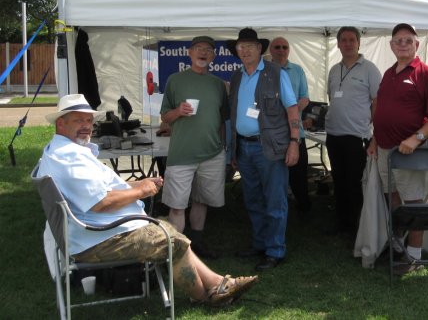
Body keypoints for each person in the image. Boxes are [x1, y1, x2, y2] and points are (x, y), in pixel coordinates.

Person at [36, 94, 257, 306]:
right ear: (61, 125)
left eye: (88, 120)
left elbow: (102, 190)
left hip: (95, 231)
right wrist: (141, 192)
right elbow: (101, 202)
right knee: (173, 242)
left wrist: (137, 184)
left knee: (168, 230)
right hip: (98, 238)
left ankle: (218, 285)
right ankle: (206, 297)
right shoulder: (70, 157)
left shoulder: (61, 151)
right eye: (78, 120)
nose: (86, 125)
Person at [367, 23, 428, 275]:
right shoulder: (389, 73)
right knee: (392, 197)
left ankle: (414, 256)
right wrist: (375, 139)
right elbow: (380, 108)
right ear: (391, 45)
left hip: (408, 154)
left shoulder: (426, 73)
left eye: (408, 40)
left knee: (413, 204)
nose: (402, 44)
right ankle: (398, 245)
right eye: (398, 40)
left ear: (417, 44)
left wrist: (416, 138)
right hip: (383, 150)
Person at [226, 28, 299, 271]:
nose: (244, 50)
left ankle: (275, 250)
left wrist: (294, 142)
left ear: (260, 49)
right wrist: (234, 150)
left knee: (275, 200)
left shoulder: (276, 73)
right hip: (244, 148)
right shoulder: (237, 76)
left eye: (249, 46)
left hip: (270, 148)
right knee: (253, 199)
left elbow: (292, 110)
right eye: (240, 47)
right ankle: (260, 244)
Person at [160, 36, 229, 259]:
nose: (203, 53)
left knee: (201, 201)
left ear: (213, 57)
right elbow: (165, 117)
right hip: (182, 154)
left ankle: (196, 245)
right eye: (199, 48)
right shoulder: (175, 80)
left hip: (212, 154)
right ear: (189, 53)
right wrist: (178, 112)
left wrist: (224, 148)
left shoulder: (218, 84)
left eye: (208, 50)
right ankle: (176, 253)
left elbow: (222, 121)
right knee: (177, 206)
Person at [325, 26, 382, 235]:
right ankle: (342, 223)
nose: (348, 43)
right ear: (338, 43)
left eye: (352, 40)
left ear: (359, 43)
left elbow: (377, 102)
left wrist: (375, 132)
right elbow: (332, 98)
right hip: (333, 135)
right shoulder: (334, 69)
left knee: (354, 183)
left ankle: (357, 228)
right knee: (338, 180)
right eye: (344, 40)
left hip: (357, 136)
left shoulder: (369, 69)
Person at [269, 36, 312, 214]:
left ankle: (304, 210)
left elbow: (305, 97)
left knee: (299, 175)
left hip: (295, 132)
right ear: (271, 50)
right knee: (273, 177)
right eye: (277, 47)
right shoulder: (263, 70)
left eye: (284, 47)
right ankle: (275, 209)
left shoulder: (297, 70)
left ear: (289, 50)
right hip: (272, 134)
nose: (281, 50)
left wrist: (293, 109)